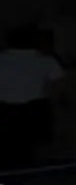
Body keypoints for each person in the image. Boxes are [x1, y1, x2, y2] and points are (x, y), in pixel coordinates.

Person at [0, 26, 62, 173]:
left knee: (7, 151)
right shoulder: (46, 61)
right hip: (35, 110)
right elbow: (57, 89)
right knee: (36, 151)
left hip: (4, 111)